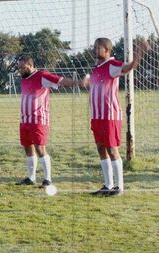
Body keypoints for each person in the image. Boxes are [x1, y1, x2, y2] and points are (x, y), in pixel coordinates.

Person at [84, 37, 149, 196]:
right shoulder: (97, 67)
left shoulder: (111, 65)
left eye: (98, 47)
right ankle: (107, 185)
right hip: (97, 116)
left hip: (109, 115)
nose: (94, 50)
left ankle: (119, 187)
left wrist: (139, 52)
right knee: (101, 148)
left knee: (112, 149)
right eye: (94, 47)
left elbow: (129, 67)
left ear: (106, 50)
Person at [15, 55, 82, 187]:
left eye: (22, 68)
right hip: (24, 120)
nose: (20, 70)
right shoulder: (24, 79)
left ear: (30, 65)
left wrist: (78, 83)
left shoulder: (42, 76)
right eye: (19, 68)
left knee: (40, 149)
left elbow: (60, 81)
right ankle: (31, 177)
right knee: (28, 149)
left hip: (38, 120)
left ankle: (47, 179)